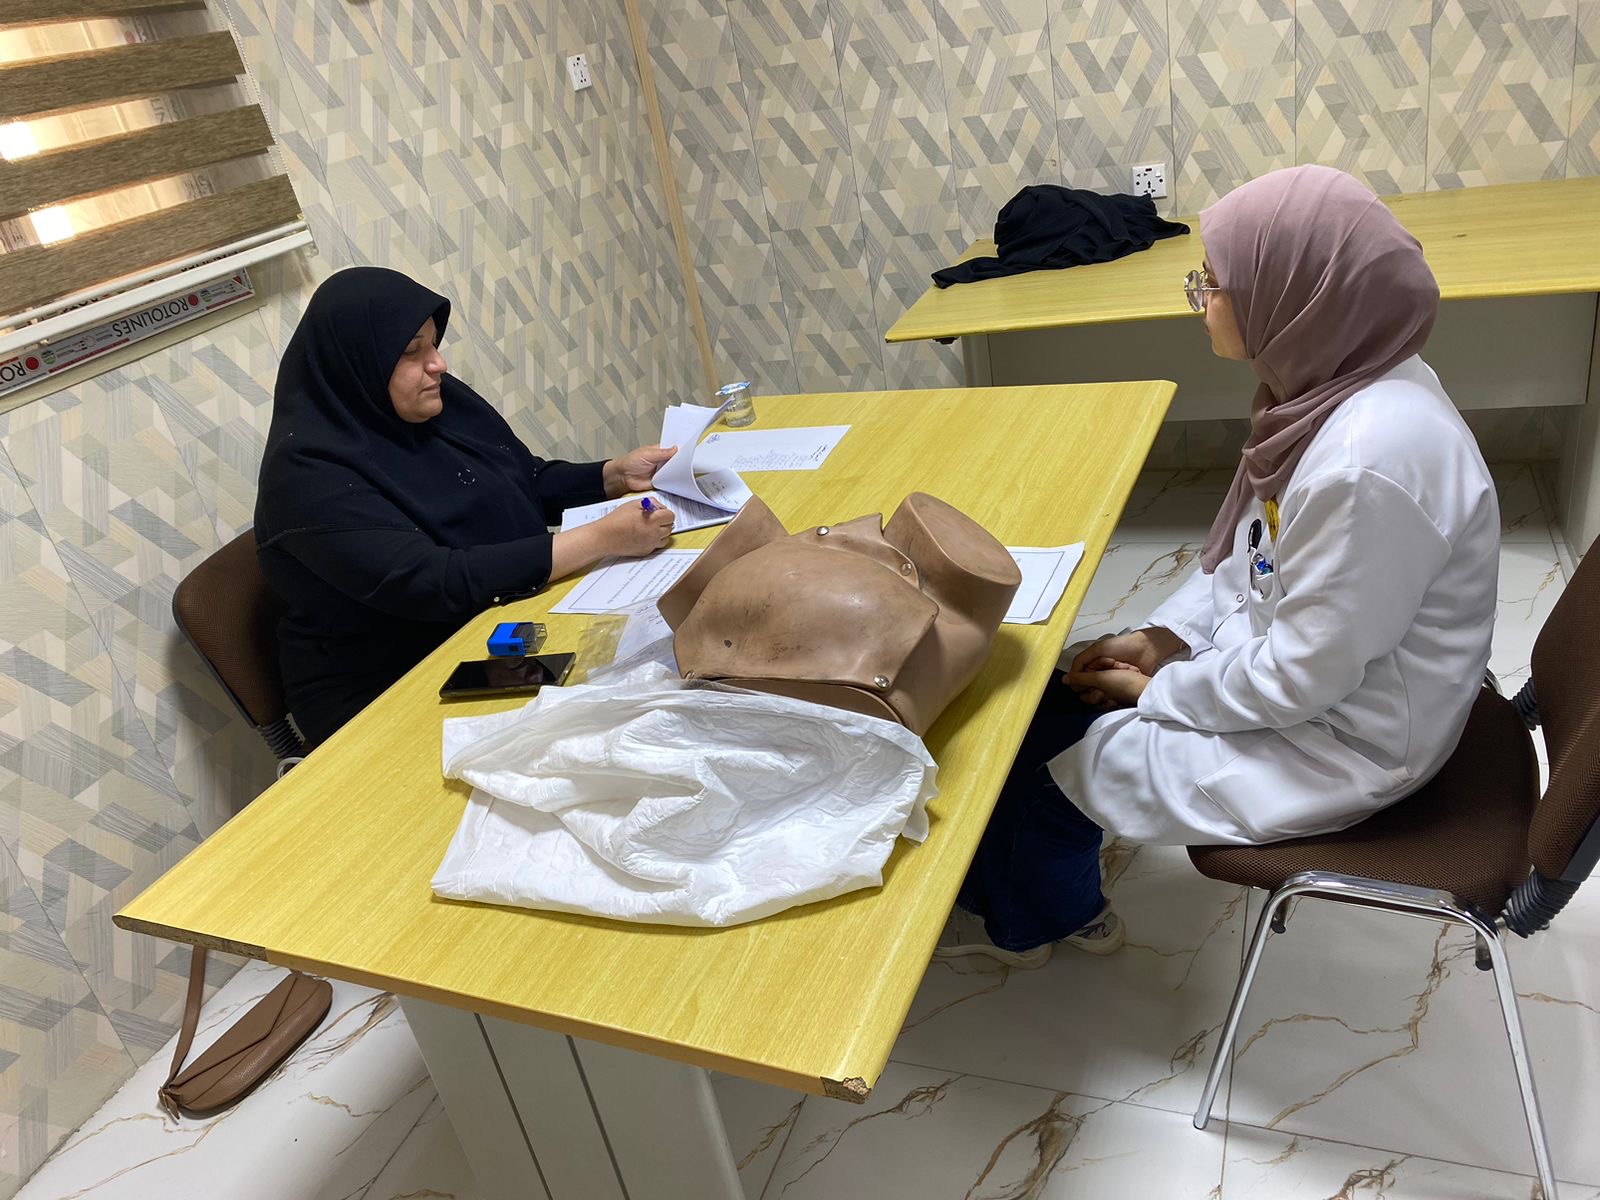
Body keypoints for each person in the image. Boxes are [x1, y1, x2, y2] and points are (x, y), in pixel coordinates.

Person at [939, 165, 1500, 968]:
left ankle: (1039, 925)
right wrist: (1164, 638)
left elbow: (1299, 681)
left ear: (1297, 292)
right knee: (1048, 697)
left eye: (1212, 281)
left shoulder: (1365, 462)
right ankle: (1027, 875)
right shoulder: (1333, 381)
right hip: (1325, 685)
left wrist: (1157, 691)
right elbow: (1254, 556)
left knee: (1039, 770)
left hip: (1344, 744)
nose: (1199, 297)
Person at [255, 267, 678, 747]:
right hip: (386, 684)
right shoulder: (306, 475)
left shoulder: (429, 402)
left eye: (433, 344)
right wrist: (599, 539)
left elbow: (518, 478)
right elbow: (434, 581)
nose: (437, 364)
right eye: (411, 351)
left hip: (487, 625)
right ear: (355, 364)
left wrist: (613, 476)